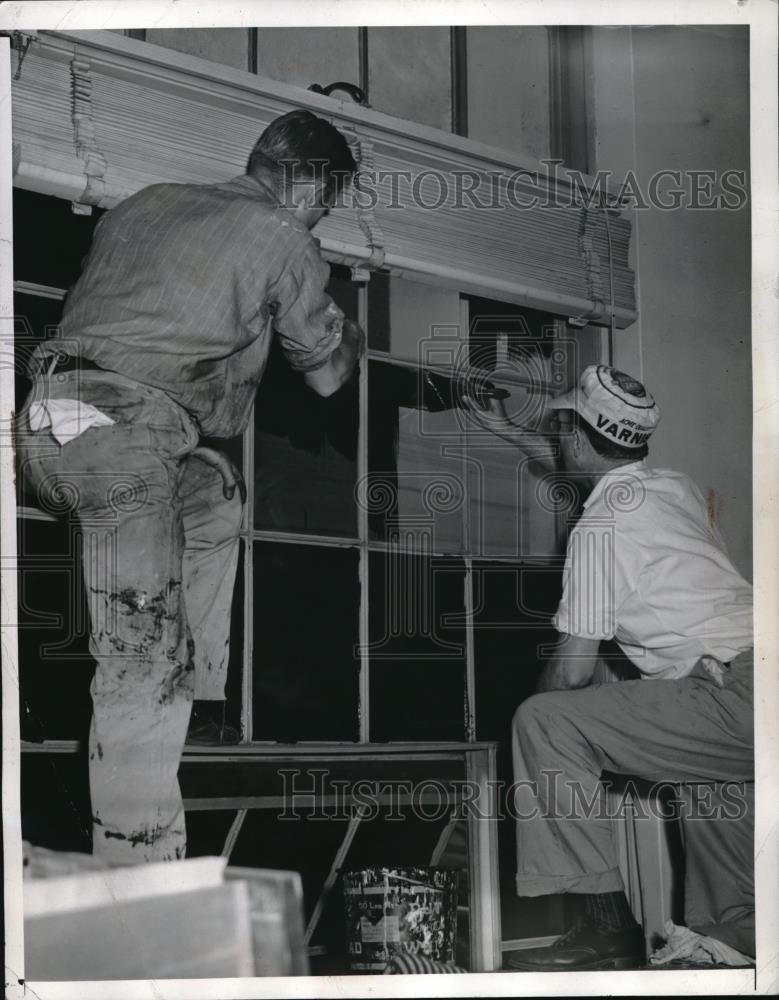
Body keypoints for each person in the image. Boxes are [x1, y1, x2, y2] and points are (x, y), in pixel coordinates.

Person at [16, 110, 364, 865]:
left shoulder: (147, 201)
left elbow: (139, 325)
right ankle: (138, 862)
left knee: (214, 493)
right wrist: (347, 325)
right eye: (328, 202)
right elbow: (330, 377)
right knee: (139, 654)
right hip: (122, 436)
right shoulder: (285, 237)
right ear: (309, 183)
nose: (321, 216)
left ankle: (199, 697)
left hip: (51, 421)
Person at [465, 364, 754, 970]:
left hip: (738, 693)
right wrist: (502, 427)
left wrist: (530, 719)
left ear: (573, 432)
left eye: (561, 427)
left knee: (544, 721)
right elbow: (595, 463)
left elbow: (570, 674)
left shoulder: (598, 529)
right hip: (752, 684)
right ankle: (740, 941)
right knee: (710, 798)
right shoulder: (672, 486)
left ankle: (602, 923)